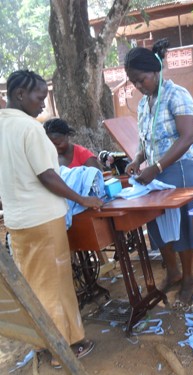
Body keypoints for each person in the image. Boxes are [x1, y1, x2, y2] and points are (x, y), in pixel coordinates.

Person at [0, 70, 102, 367]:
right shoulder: (30, 129)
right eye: (39, 97)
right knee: (54, 286)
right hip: (43, 221)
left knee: (34, 285)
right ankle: (64, 351)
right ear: (20, 95)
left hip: (18, 222)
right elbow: (46, 176)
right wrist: (83, 199)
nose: (44, 104)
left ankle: (44, 343)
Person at [123, 39, 193, 304]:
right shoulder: (143, 104)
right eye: (133, 82)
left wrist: (157, 167)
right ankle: (172, 272)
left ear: (156, 71)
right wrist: (138, 159)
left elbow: (187, 138)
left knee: (182, 225)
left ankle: (189, 277)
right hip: (156, 173)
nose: (138, 86)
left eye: (142, 79)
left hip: (181, 168)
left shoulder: (176, 94)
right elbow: (145, 140)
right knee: (158, 223)